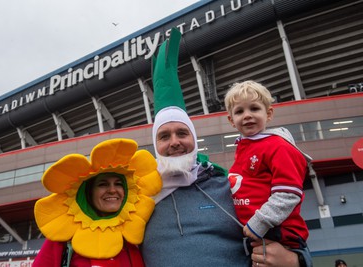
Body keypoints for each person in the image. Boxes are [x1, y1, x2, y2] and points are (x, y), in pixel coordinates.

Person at [140, 27, 312, 267]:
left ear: (194, 137)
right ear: (155, 145)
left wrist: (297, 261)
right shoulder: (138, 195)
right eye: (164, 136)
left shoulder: (227, 186)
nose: (175, 142)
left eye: (182, 133)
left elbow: (286, 224)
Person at [32, 138, 162, 267]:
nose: (112, 190)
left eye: (118, 184)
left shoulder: (134, 236)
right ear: (89, 192)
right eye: (103, 184)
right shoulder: (62, 239)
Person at [224, 80, 310, 250]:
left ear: (269, 114)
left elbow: (288, 194)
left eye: (254, 108)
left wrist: (259, 223)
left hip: (278, 235)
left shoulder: (278, 146)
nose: (247, 115)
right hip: (256, 236)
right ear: (231, 120)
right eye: (239, 111)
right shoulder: (244, 148)